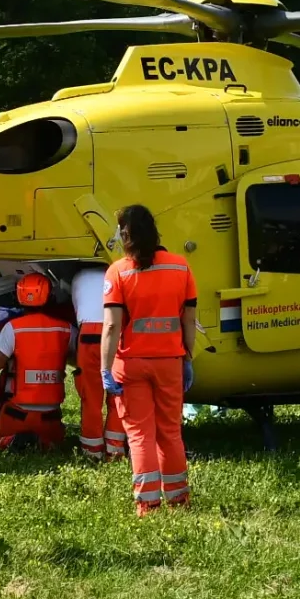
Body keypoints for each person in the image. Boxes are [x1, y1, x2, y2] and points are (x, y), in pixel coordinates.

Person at [101, 204, 198, 514]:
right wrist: (188, 357)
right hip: (170, 361)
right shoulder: (181, 267)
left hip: (130, 364)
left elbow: (112, 326)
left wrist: (105, 369)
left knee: (140, 435)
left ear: (126, 236)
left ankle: (148, 504)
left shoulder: (118, 272)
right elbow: (189, 319)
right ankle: (179, 500)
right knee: (170, 431)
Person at [0, 269, 74, 452]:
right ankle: (45, 442)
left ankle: (13, 440)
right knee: (54, 440)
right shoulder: (67, 329)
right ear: (50, 297)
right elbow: (80, 359)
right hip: (51, 418)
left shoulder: (12, 328)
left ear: (19, 297)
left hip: (16, 415)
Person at [70, 260, 122, 460]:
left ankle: (91, 450)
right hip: (115, 332)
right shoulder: (118, 274)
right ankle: (115, 449)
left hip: (88, 334)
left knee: (90, 396)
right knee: (117, 394)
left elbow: (77, 311)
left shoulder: (78, 277)